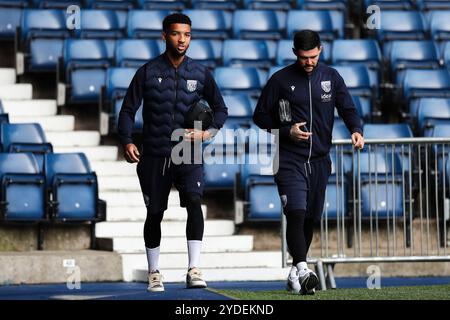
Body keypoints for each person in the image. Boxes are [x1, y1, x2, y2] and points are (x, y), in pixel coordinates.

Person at [117, 13, 228, 292]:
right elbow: (128, 110)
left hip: (187, 151)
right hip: (154, 153)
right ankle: (154, 272)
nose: (183, 40)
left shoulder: (201, 73)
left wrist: (207, 133)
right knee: (154, 213)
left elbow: (221, 110)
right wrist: (127, 141)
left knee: (194, 202)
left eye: (187, 35)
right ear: (164, 36)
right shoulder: (147, 71)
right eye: (177, 34)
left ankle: (194, 268)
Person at [253, 30, 364, 295]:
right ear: (295, 53)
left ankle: (295, 273)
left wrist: (356, 129)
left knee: (310, 218)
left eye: (313, 56)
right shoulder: (280, 80)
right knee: (296, 212)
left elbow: (347, 107)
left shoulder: (331, 77)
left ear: (321, 50)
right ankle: (303, 268)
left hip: (320, 161)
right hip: (289, 158)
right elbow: (259, 116)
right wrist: (285, 130)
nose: (309, 62)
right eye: (304, 57)